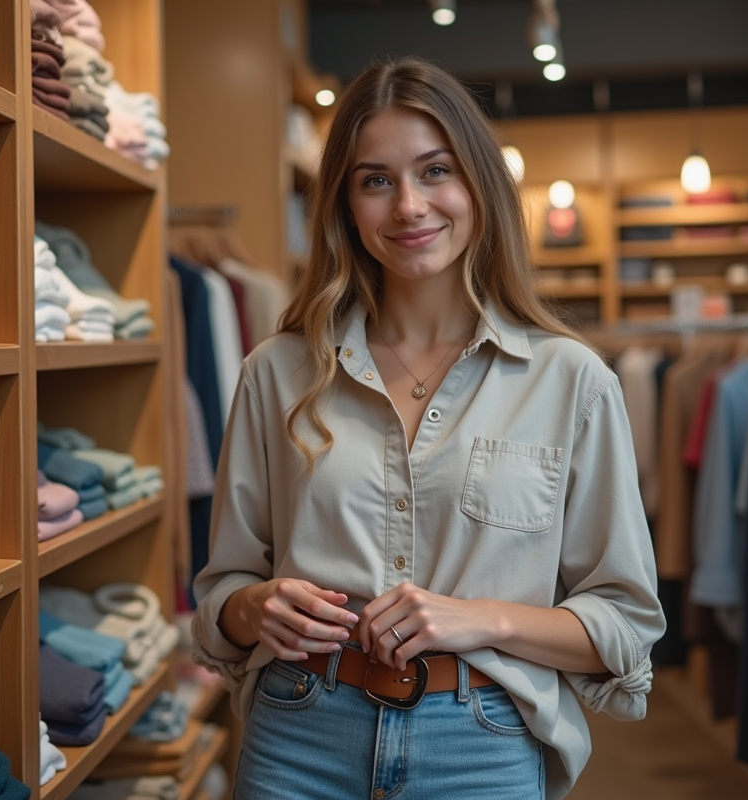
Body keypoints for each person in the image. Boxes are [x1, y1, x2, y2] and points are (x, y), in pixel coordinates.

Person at [190, 56, 665, 800]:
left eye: (435, 171)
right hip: (298, 739)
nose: (409, 206)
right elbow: (224, 590)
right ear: (346, 205)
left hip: (481, 747)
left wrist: (483, 620)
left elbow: (624, 625)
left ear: (479, 185)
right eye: (375, 180)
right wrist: (253, 607)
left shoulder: (571, 381)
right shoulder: (275, 372)